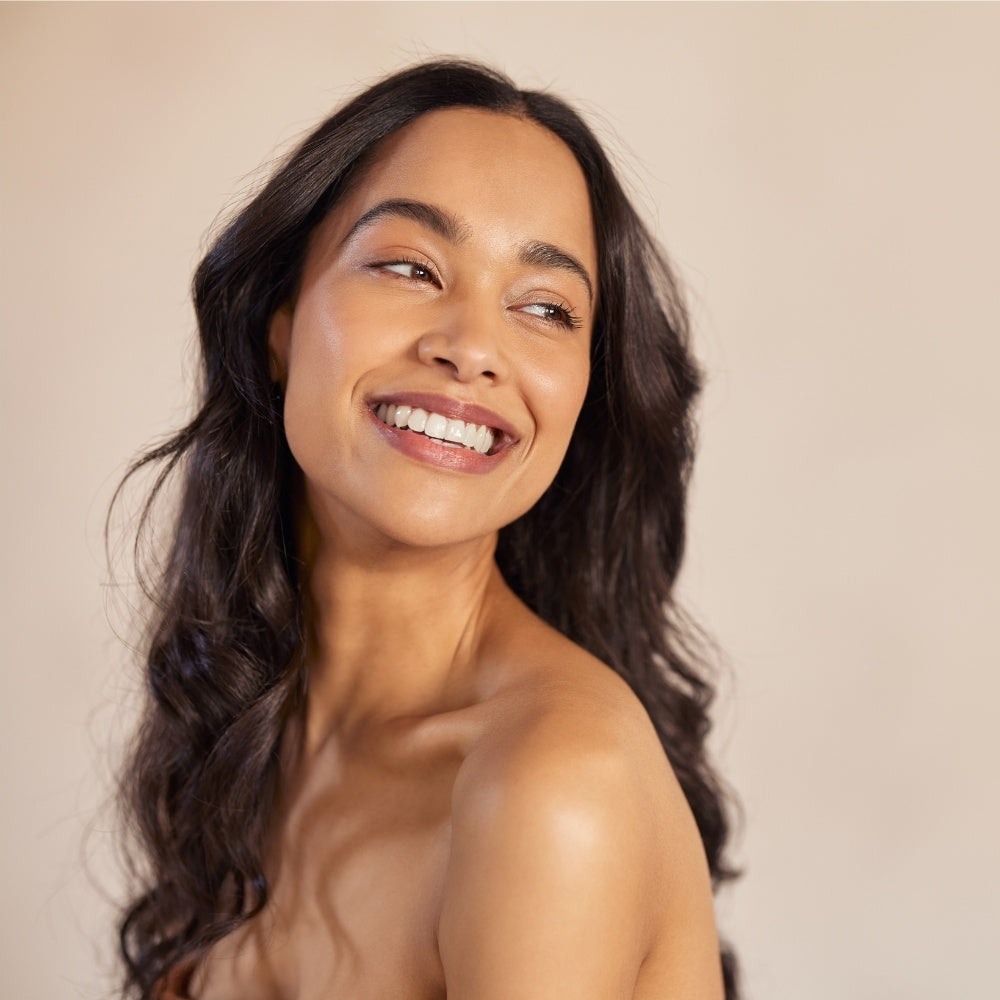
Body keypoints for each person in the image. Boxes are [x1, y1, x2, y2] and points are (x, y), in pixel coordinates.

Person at [114, 59, 739, 1000]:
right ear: (279, 321)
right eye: (410, 267)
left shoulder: (549, 784)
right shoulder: (254, 729)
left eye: (544, 308)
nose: (474, 348)